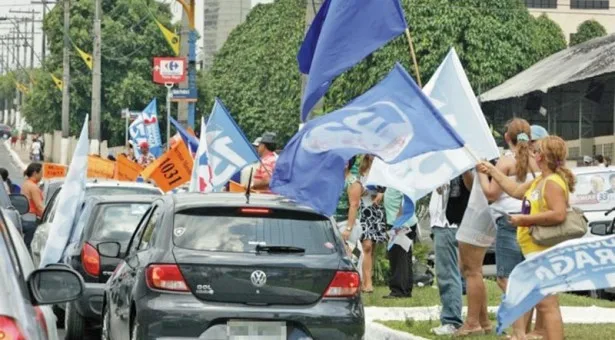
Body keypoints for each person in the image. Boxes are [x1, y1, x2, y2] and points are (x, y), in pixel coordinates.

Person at [478, 135, 573, 340]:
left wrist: (525, 220)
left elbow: (559, 214)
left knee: (547, 304)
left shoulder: (552, 183)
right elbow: (513, 190)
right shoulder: (540, 180)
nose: (533, 153)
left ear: (543, 157)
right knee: (543, 302)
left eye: (537, 151)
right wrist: (492, 170)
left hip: (543, 250)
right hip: (534, 250)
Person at [477, 118, 540, 339]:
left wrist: (481, 174)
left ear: (507, 137)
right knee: (528, 279)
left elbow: (492, 194)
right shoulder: (537, 160)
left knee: (507, 280)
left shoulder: (505, 161)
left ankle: (518, 332)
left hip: (509, 222)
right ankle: (524, 330)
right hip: (533, 222)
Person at [429, 171, 473, 335]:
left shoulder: (459, 166)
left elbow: (470, 185)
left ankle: (452, 320)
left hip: (447, 222)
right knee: (454, 271)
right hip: (442, 222)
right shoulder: (443, 166)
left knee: (447, 272)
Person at [356, 155, 387, 293]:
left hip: (376, 209)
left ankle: (367, 279)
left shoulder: (381, 169)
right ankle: (367, 283)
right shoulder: (360, 171)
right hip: (364, 210)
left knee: (372, 247)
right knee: (366, 246)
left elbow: (385, 188)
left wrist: (381, 193)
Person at [382, 187, 416, 299]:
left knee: (398, 257)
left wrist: (398, 221)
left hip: (400, 223)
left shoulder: (401, 180)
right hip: (402, 222)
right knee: (404, 257)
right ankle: (406, 288)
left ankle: (398, 290)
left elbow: (406, 200)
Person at [334, 157, 363, 254]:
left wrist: (348, 228)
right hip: (333, 221)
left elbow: (354, 205)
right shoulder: (334, 179)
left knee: (349, 255)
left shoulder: (353, 182)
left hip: (345, 223)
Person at [21, 163, 44, 249]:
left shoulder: (26, 183)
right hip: (31, 220)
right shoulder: (33, 187)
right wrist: (47, 217)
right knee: (29, 247)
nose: (42, 176)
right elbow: (39, 206)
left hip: (25, 218)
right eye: (41, 173)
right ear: (35, 173)